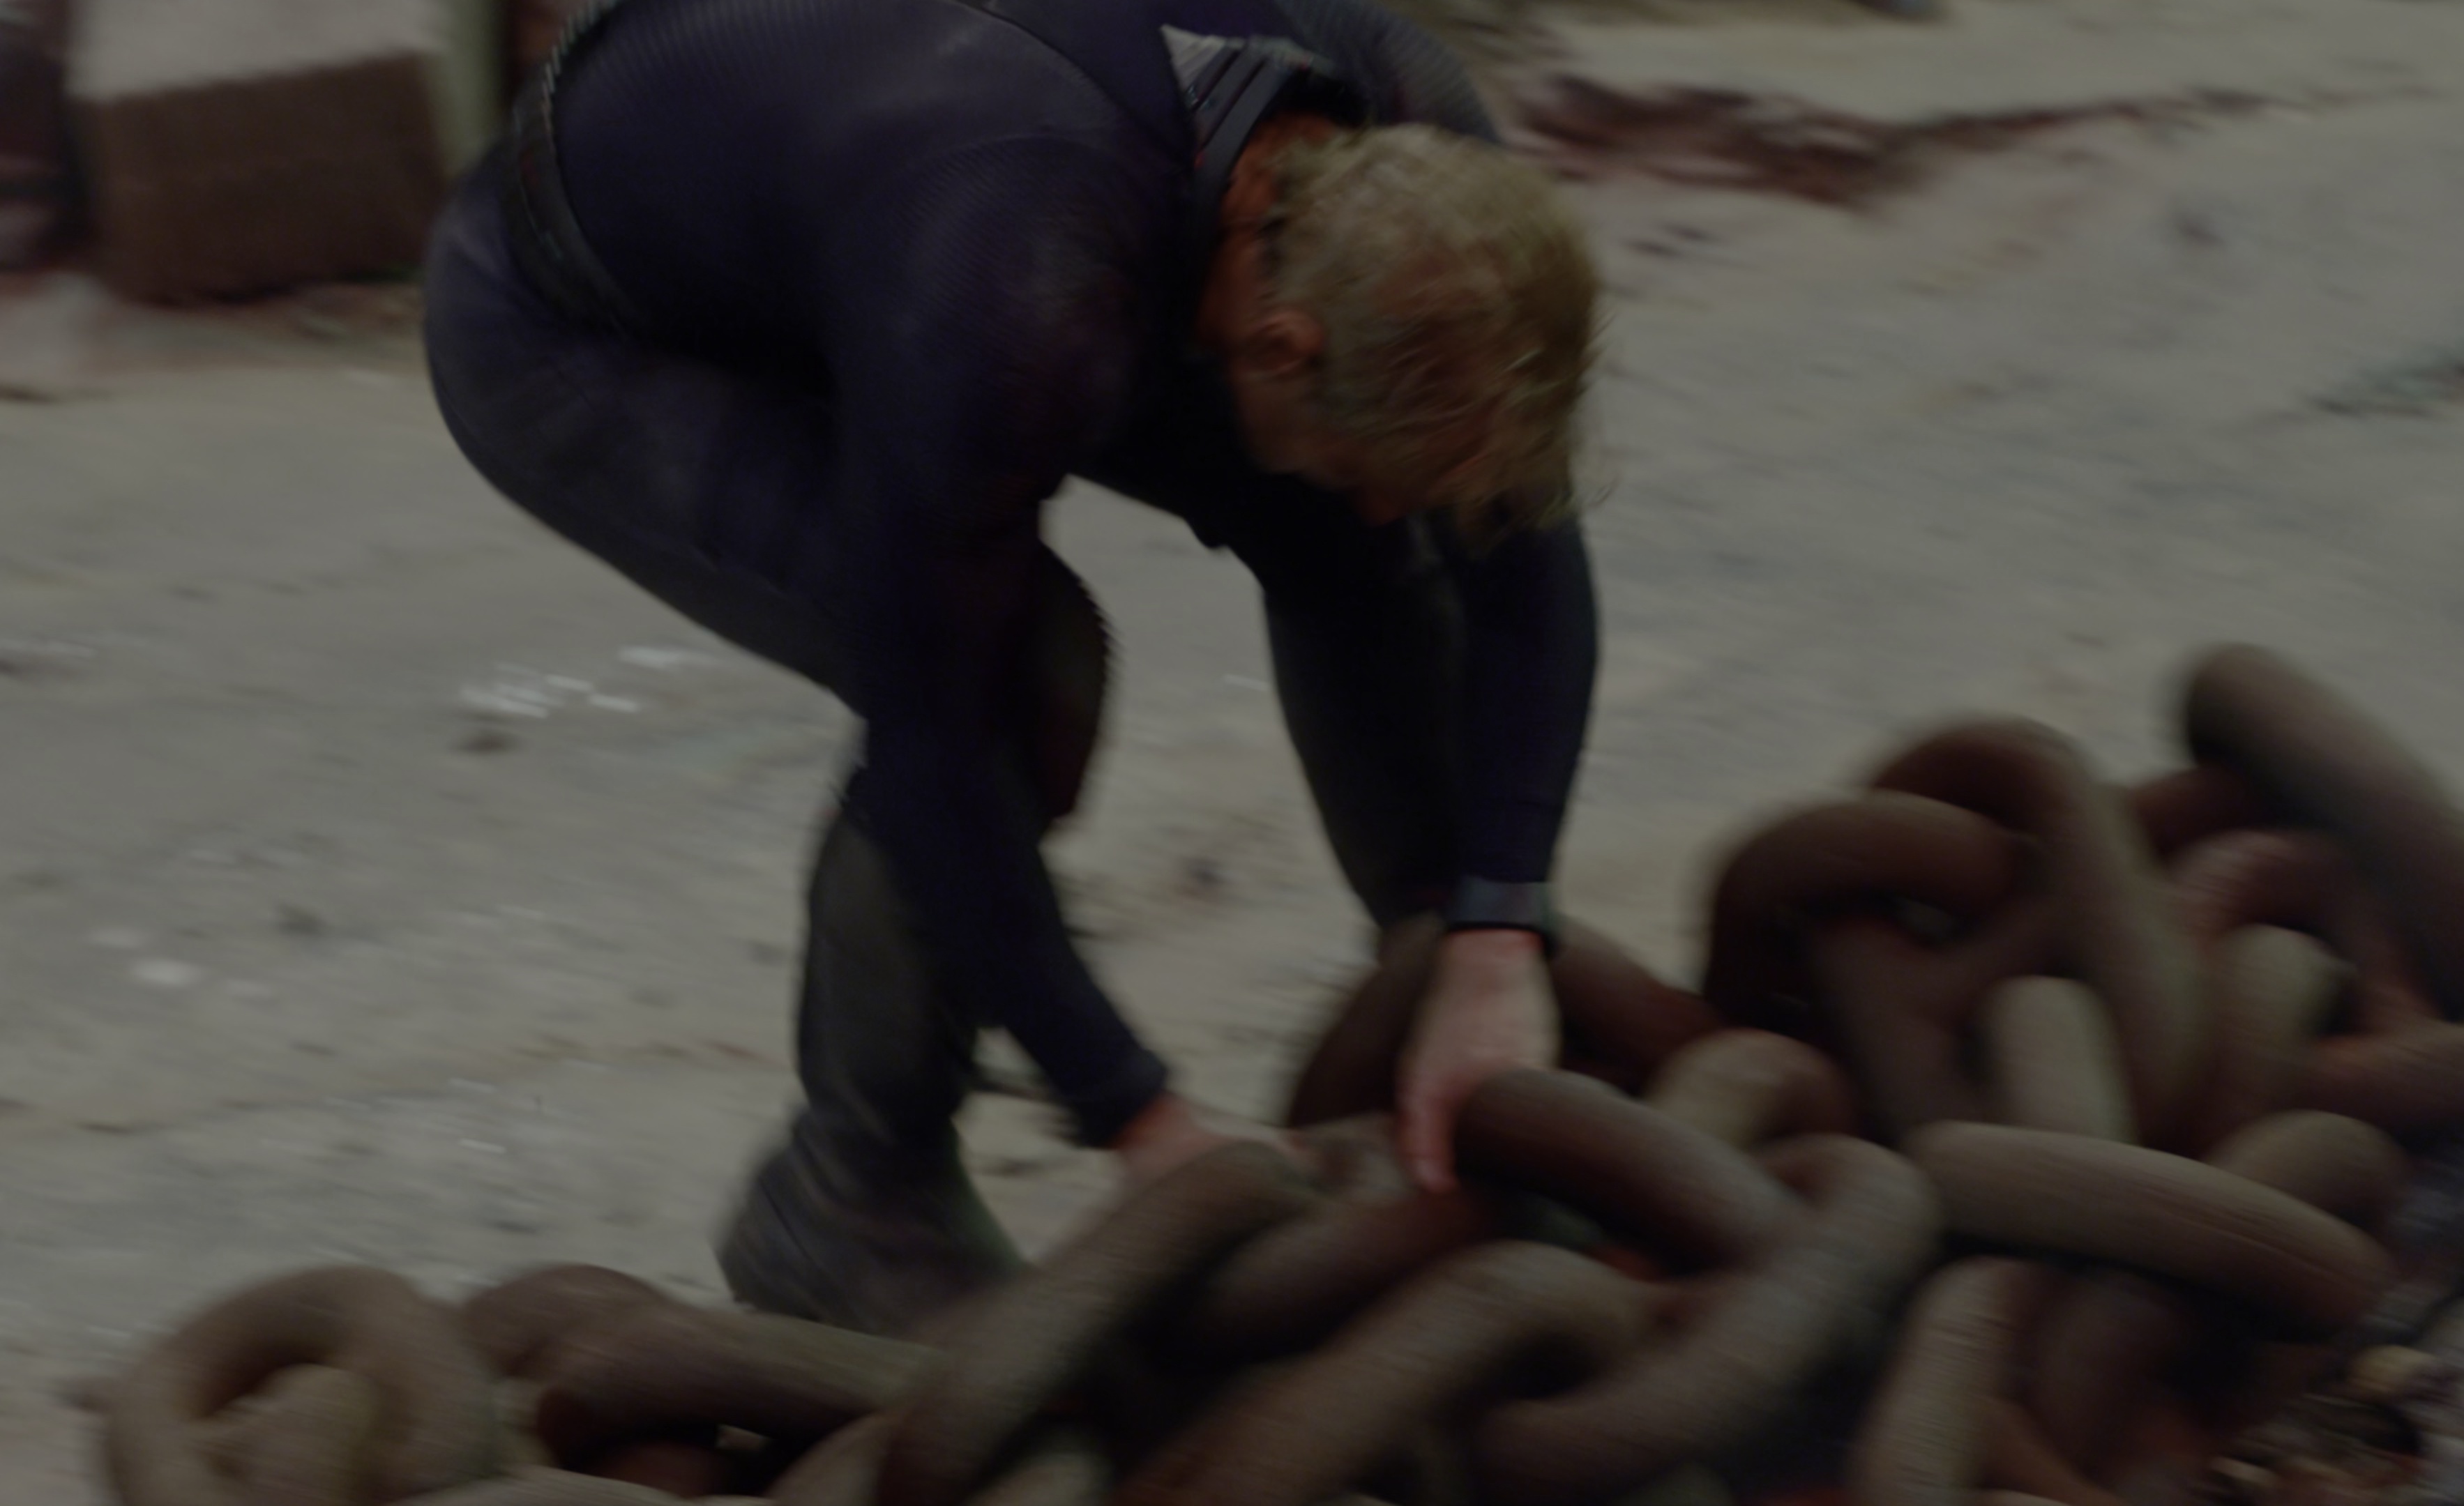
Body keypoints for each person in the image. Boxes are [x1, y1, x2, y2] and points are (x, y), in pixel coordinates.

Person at [423, 0, 1602, 1336]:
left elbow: (1521, 560)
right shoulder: (1017, 290)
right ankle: (850, 1193)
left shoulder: (1415, 136)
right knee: (1021, 668)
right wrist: (1137, 1114)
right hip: (589, 312)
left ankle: (1430, 1017)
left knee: (1362, 521)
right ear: (1284, 343)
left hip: (914, 200)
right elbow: (935, 744)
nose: (1398, 504)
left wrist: (1497, 929)